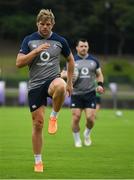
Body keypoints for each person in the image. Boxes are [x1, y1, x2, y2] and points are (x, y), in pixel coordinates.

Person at [16, 9, 74, 172]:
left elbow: (70, 60)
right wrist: (35, 51)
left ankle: (54, 116)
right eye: (42, 24)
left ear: (52, 25)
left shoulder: (60, 41)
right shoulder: (29, 40)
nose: (44, 27)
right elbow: (19, 63)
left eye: (48, 24)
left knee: (61, 86)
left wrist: (69, 82)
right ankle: (38, 161)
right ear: (37, 24)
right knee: (38, 124)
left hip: (52, 80)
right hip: (35, 86)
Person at [61, 39, 104, 148]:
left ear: (88, 47)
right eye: (81, 46)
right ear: (77, 48)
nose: (83, 48)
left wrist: (100, 85)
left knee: (90, 118)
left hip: (90, 93)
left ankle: (87, 134)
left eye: (85, 46)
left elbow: (99, 74)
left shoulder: (94, 61)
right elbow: (62, 74)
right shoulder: (71, 60)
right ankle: (77, 140)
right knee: (76, 117)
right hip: (76, 94)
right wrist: (67, 76)